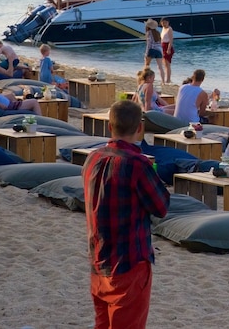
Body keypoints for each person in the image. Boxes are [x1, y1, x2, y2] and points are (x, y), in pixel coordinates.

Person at [83, 100, 170, 328]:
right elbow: (161, 206)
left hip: (99, 258)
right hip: (129, 262)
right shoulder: (137, 164)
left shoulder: (93, 158)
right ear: (140, 128)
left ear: (110, 126)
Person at [159, 18, 174, 84]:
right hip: (162, 46)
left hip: (167, 46)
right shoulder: (163, 29)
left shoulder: (169, 29)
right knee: (164, 64)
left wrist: (168, 49)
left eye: (165, 22)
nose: (164, 24)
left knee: (167, 64)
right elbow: (162, 39)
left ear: (168, 22)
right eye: (163, 23)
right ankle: (166, 79)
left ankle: (168, 79)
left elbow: (171, 40)